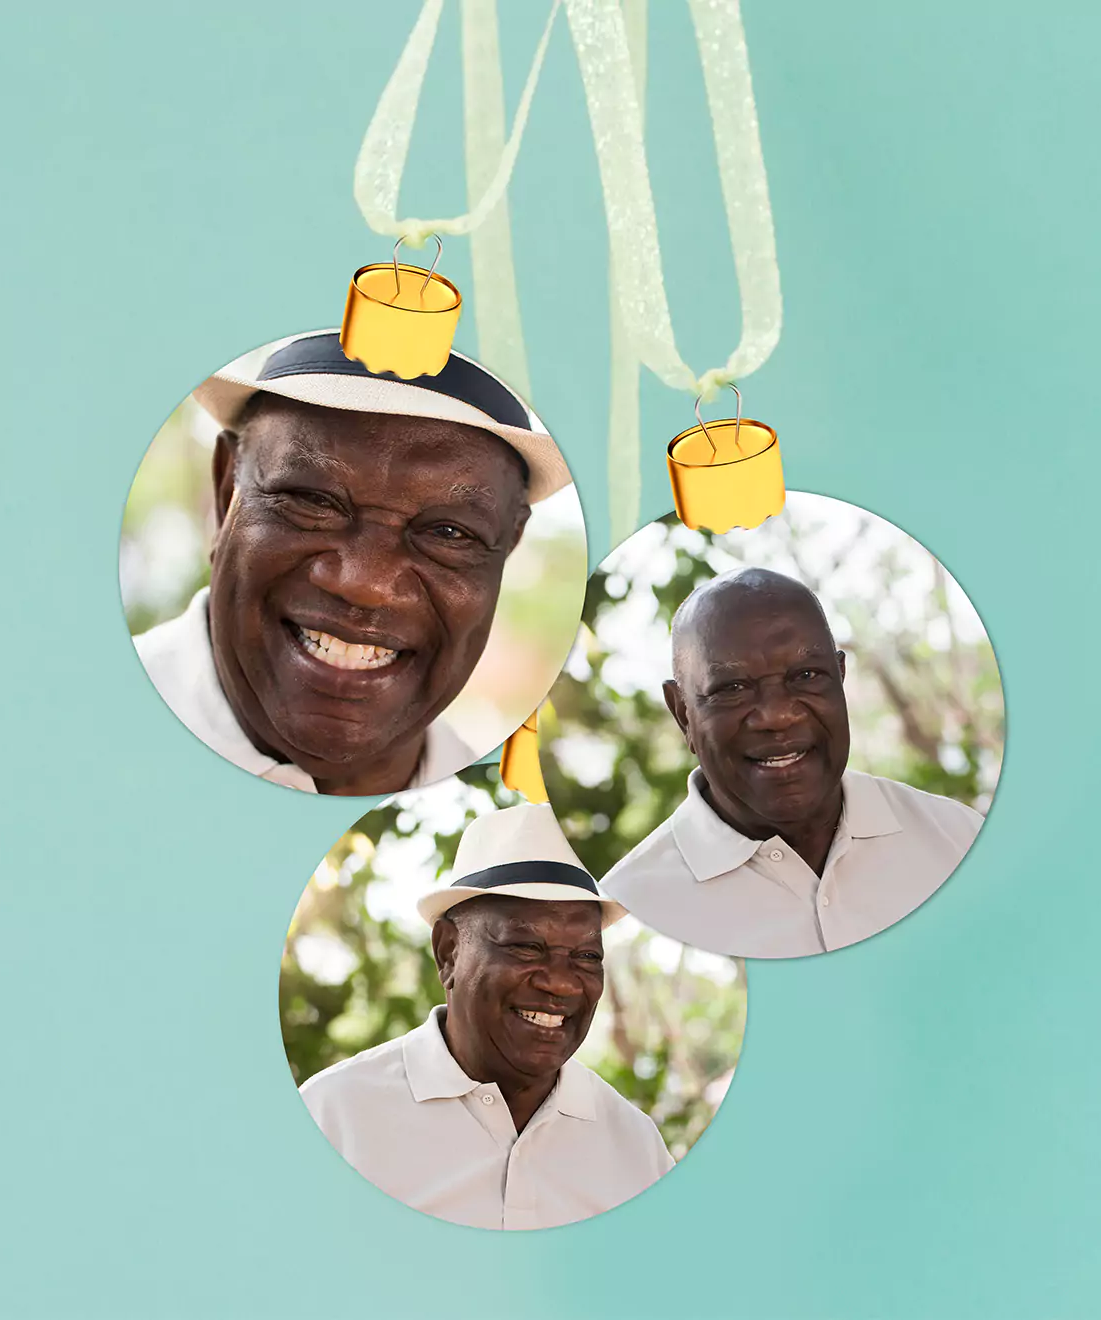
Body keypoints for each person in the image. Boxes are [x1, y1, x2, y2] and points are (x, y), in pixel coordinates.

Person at [131, 331, 573, 796]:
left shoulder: (493, 815)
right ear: (227, 493)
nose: (365, 584)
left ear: (509, 544)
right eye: (312, 500)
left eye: (448, 533)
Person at [299, 803, 674, 1230]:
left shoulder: (636, 1146)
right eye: (525, 947)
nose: (563, 984)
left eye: (586, 956)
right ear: (448, 952)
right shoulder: (335, 1115)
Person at [601, 568, 985, 958]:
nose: (777, 716)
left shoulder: (961, 841)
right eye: (732, 688)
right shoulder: (626, 915)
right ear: (683, 713)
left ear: (841, 677)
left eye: (806, 675)